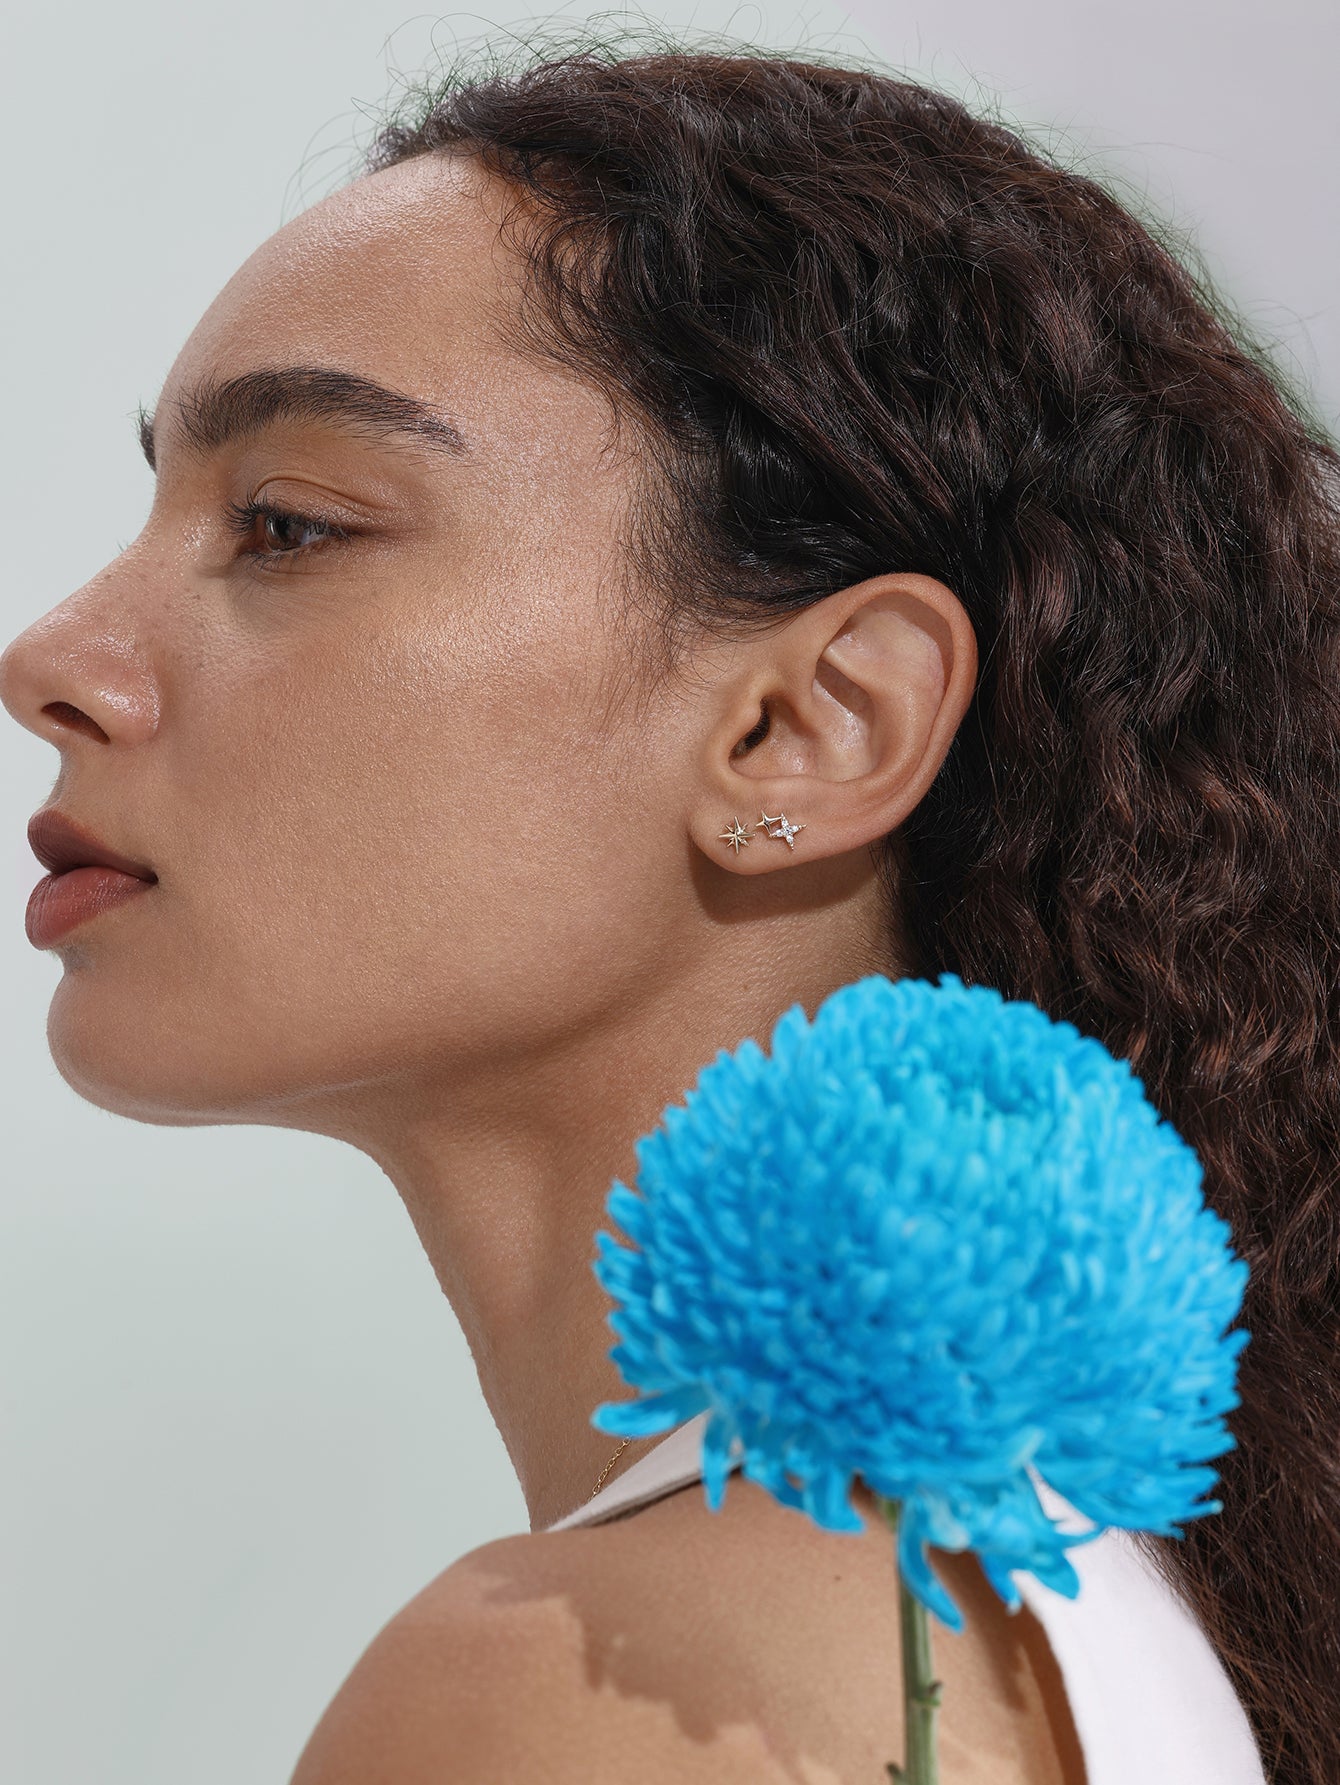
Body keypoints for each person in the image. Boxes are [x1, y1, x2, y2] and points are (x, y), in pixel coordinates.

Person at [2, 38, 1336, 1785]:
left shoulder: (589, 1696)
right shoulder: (1055, 1620)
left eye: (289, 524)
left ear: (810, 724)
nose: (51, 658)